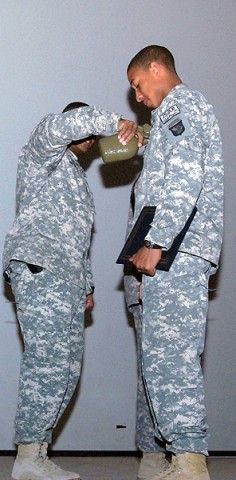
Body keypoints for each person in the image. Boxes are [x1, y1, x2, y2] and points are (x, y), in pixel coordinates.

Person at [2, 101, 138, 480]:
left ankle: (37, 453)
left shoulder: (76, 178)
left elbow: (77, 241)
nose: (94, 140)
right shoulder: (43, 152)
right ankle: (27, 456)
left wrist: (88, 285)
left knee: (66, 370)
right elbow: (64, 124)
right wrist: (115, 122)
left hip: (68, 280)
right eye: (89, 133)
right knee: (46, 362)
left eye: (95, 136)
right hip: (39, 268)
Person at [124, 45, 224, 480]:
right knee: (161, 357)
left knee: (173, 357)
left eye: (138, 85)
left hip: (175, 250)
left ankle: (188, 461)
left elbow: (186, 178)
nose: (138, 96)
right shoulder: (170, 116)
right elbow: (167, 171)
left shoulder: (183, 104)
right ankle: (177, 458)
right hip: (173, 252)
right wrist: (143, 138)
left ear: (156, 68)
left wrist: (158, 242)